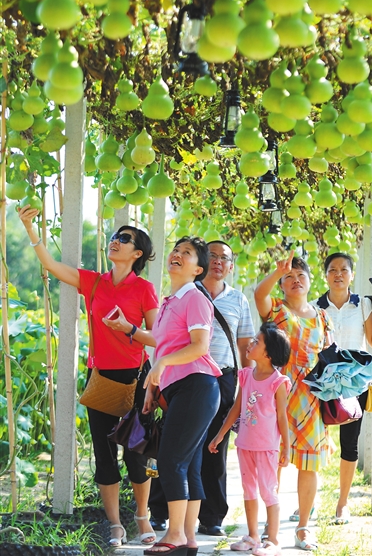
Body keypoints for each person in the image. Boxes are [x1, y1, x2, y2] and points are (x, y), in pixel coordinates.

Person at [18, 205, 159, 548]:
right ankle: (114, 524)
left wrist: (129, 329)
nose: (115, 241)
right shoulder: (93, 282)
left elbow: (159, 338)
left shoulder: (143, 290)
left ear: (137, 253)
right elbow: (50, 265)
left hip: (136, 379)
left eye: (124, 239)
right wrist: (29, 228)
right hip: (101, 378)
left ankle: (141, 515)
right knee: (104, 452)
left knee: (136, 453)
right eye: (114, 237)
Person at [149, 240, 255, 536]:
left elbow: (244, 344)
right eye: (213, 256)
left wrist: (247, 386)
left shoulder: (236, 300)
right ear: (203, 265)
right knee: (177, 448)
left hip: (218, 376)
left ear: (231, 266)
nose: (218, 261)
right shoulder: (181, 296)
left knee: (212, 448)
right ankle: (163, 515)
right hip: (182, 378)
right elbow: (162, 340)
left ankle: (210, 518)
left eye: (225, 258)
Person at [142, 237, 221, 556]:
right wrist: (153, 385)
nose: (177, 254)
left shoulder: (195, 298)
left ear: (197, 269)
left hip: (197, 386)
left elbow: (199, 346)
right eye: (176, 250)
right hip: (181, 390)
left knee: (172, 460)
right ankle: (188, 539)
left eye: (186, 253)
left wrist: (161, 363)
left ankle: (173, 534)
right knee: (187, 464)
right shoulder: (170, 302)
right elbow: (164, 345)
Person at [254, 251, 333, 552]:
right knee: (274, 460)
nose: (295, 280)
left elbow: (328, 355)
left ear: (310, 281)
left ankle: (303, 528)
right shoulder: (275, 309)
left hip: (312, 399)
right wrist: (277, 271)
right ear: (282, 285)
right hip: (278, 395)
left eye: (301, 276)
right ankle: (269, 528)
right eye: (289, 277)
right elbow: (258, 293)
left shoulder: (322, 316)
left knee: (309, 464)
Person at [312, 252, 372, 525]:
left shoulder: (364, 305)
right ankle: (310, 501)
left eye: (344, 269)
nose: (338, 274)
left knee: (349, 444)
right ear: (326, 274)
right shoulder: (315, 307)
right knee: (314, 441)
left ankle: (343, 504)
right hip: (323, 382)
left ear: (351, 275)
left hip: (355, 382)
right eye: (333, 269)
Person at [209, 322, 291, 556]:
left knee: (268, 491)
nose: (250, 344)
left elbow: (282, 417)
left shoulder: (278, 382)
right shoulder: (245, 376)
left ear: (268, 353)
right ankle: (253, 536)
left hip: (267, 448)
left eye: (256, 341)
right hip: (245, 445)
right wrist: (220, 434)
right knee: (249, 491)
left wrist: (285, 446)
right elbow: (236, 408)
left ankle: (273, 540)